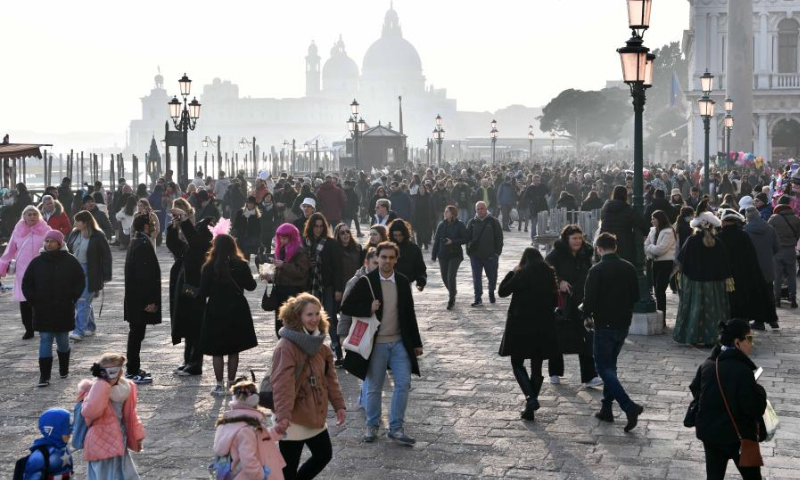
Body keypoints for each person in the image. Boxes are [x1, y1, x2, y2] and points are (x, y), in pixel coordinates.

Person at [340, 242, 424, 445]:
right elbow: (346, 306)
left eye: (391, 257)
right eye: (383, 257)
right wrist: (367, 308)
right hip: (376, 344)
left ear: (396, 259)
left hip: (398, 343)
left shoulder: (402, 282)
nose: (387, 261)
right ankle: (372, 425)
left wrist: (416, 342)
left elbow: (409, 313)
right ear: (377, 258)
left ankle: (396, 428)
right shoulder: (366, 281)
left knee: (403, 383)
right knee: (374, 386)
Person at [271, 293, 346, 480]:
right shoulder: (286, 346)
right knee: (288, 470)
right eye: (309, 315)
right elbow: (282, 386)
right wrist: (283, 417)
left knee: (323, 455)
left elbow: (330, 378)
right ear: (298, 317)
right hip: (292, 416)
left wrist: (339, 405)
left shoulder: (321, 344)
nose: (314, 319)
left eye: (317, 314)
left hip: (315, 412)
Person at [689, 319, 767, 480]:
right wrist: (759, 391)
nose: (752, 344)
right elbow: (753, 408)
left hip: (710, 434)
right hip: (738, 436)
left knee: (714, 476)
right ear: (737, 342)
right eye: (750, 339)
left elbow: (696, 390)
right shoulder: (743, 371)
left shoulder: (708, 365)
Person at [584, 232, 644, 432]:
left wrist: (586, 315)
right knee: (611, 366)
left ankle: (628, 406)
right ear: (615, 247)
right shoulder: (628, 267)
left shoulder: (597, 270)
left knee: (603, 368)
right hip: (623, 323)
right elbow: (636, 296)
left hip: (604, 324)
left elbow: (589, 300)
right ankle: (606, 408)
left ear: (599, 249)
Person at [498, 247, 559, 421]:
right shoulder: (549, 274)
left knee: (517, 362)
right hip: (543, 325)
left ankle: (531, 399)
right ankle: (530, 407)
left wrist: (511, 273)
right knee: (537, 366)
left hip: (521, 325)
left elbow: (502, 291)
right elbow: (555, 299)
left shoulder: (521, 274)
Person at [22, 230, 84, 387]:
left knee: (63, 340)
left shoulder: (70, 261)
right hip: (43, 308)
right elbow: (27, 283)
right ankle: (44, 376)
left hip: (63, 307)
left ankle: (64, 369)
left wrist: (72, 298)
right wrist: (34, 300)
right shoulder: (36, 262)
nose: (48, 244)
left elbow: (79, 281)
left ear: (59, 243)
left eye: (52, 241)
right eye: (46, 241)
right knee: (45, 339)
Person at [199, 234, 259, 396]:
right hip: (237, 309)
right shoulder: (241, 265)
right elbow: (252, 286)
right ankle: (232, 383)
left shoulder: (209, 266)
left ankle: (219, 385)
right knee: (234, 349)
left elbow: (202, 292)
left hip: (215, 309)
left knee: (217, 350)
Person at [545, 225, 602, 388]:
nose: (577, 241)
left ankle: (590, 376)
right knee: (558, 337)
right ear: (567, 239)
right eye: (574, 238)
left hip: (582, 300)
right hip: (562, 302)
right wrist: (559, 281)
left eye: (579, 238)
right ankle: (554, 372)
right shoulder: (556, 254)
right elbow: (546, 271)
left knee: (586, 337)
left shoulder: (587, 253)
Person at [77, 352, 145, 479]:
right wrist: (101, 387)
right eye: (105, 372)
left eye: (114, 371)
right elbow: (89, 412)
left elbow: (131, 415)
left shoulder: (126, 388)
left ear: (120, 372)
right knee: (103, 475)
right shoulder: (95, 388)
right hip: (100, 440)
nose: (109, 376)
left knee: (124, 473)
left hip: (119, 439)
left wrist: (137, 435)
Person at [167, 202, 213, 377]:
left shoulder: (202, 236)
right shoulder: (191, 238)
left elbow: (196, 243)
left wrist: (185, 222)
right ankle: (188, 360)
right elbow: (174, 245)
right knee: (187, 325)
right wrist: (173, 226)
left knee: (196, 327)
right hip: (185, 287)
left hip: (197, 288)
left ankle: (196, 364)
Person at [674, 212, 733, 347]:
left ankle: (692, 336)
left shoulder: (691, 241)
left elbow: (681, 261)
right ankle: (712, 338)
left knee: (694, 308)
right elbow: (725, 263)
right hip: (714, 283)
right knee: (713, 310)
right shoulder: (718, 242)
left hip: (693, 282)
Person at [213, 380, 287, 480]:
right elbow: (248, 461)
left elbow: (259, 438)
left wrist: (276, 432)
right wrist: (260, 475)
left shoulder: (226, 422)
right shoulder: (247, 429)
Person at [718, 208, 778, 329]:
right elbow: (751, 256)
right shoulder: (744, 234)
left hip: (726, 274)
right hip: (745, 273)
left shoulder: (720, 236)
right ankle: (745, 320)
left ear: (723, 222)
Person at [0, 205, 52, 339]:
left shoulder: (46, 230)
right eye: (29, 214)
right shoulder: (17, 231)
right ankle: (28, 328)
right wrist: (1, 268)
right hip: (23, 271)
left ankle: (42, 326)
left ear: (39, 215)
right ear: (24, 216)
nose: (32, 217)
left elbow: (56, 246)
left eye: (35, 214)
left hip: (42, 270)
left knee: (41, 300)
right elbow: (9, 250)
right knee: (25, 301)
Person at [123, 214, 161, 385]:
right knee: (136, 334)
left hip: (134, 298)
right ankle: (132, 370)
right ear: (145, 226)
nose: (153, 225)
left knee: (136, 334)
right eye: (151, 223)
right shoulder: (143, 244)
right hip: (140, 299)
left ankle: (133, 367)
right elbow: (145, 276)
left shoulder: (137, 241)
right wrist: (150, 301)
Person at [303, 212, 344, 363]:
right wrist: (308, 264)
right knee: (309, 317)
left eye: (321, 226)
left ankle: (337, 349)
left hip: (327, 285)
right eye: (316, 226)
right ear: (311, 227)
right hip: (309, 285)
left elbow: (338, 267)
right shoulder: (305, 242)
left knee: (330, 317)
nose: (318, 229)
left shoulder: (331, 243)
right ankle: (310, 348)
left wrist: (339, 289)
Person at [66, 211, 112, 341]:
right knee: (81, 301)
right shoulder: (74, 234)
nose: (75, 223)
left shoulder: (98, 236)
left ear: (85, 222)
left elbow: (106, 257)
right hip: (74, 271)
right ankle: (90, 327)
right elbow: (67, 250)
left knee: (82, 300)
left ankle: (78, 330)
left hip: (91, 271)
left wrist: (106, 275)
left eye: (77, 221)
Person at [266, 223, 310, 336]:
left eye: (284, 237)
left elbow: (301, 272)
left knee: (292, 322)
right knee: (279, 322)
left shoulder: (300, 251)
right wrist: (269, 274)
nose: (281, 240)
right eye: (280, 237)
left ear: (292, 237)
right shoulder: (279, 249)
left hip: (293, 291)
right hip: (279, 290)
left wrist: (283, 266)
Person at [743, 206, 780, 330]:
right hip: (768, 266)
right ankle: (773, 320)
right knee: (769, 294)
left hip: (752, 268)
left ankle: (759, 321)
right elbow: (776, 248)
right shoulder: (770, 229)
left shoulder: (745, 231)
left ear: (747, 218)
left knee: (755, 295)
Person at [466, 201, 504, 307]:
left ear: (486, 209)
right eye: (478, 209)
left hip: (490, 256)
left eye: (482, 208)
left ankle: (491, 292)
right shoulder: (472, 222)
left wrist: (497, 253)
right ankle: (478, 298)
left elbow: (499, 238)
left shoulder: (493, 221)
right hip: (475, 256)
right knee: (476, 277)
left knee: (492, 277)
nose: (480, 211)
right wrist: (469, 252)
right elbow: (467, 238)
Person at [600, 186, 650, 264]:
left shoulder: (605, 207)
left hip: (605, 240)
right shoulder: (627, 209)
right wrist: (647, 232)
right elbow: (640, 222)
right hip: (624, 242)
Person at [20, 408, 74, 480]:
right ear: (54, 430)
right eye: (66, 429)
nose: (70, 432)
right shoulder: (40, 456)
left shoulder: (64, 449)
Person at [645, 210, 677, 328]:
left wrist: (650, 248)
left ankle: (662, 318)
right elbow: (645, 245)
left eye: (654, 218)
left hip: (665, 263)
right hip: (655, 262)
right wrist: (652, 248)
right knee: (656, 289)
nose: (652, 220)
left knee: (660, 289)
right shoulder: (652, 230)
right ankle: (660, 316)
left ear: (660, 219)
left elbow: (661, 249)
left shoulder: (668, 231)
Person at [431, 205, 468, 310]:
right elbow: (437, 240)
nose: (445, 213)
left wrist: (453, 241)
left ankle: (451, 299)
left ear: (453, 213)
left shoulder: (460, 225)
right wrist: (434, 255)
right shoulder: (441, 225)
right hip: (443, 254)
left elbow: (465, 239)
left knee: (451, 276)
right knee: (444, 277)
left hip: (455, 254)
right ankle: (453, 291)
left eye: (447, 211)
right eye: (445, 211)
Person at [768, 195, 800, 309]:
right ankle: (793, 299)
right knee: (791, 275)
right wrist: (792, 241)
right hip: (790, 249)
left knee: (777, 276)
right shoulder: (796, 219)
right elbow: (797, 235)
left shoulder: (773, 218)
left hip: (777, 251)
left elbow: (769, 234)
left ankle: (777, 299)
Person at [333, 222, 363, 317]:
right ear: (338, 235)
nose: (345, 234)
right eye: (342, 233)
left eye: (347, 231)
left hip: (356, 285)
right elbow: (335, 271)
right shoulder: (335, 250)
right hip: (342, 286)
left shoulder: (358, 247)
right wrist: (338, 289)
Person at [388, 219, 427, 291]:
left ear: (405, 234)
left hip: (406, 282)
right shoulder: (387, 247)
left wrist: (421, 281)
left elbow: (420, 266)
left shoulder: (414, 248)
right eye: (395, 235)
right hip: (389, 282)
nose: (398, 238)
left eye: (400, 235)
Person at [232, 196, 262, 263]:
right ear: (246, 204)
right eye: (249, 203)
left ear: (254, 204)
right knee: (241, 256)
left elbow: (258, 228)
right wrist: (234, 233)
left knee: (251, 257)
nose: (250, 205)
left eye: (252, 203)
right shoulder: (240, 212)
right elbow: (236, 224)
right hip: (241, 238)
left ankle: (251, 271)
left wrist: (258, 240)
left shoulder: (256, 214)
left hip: (252, 239)